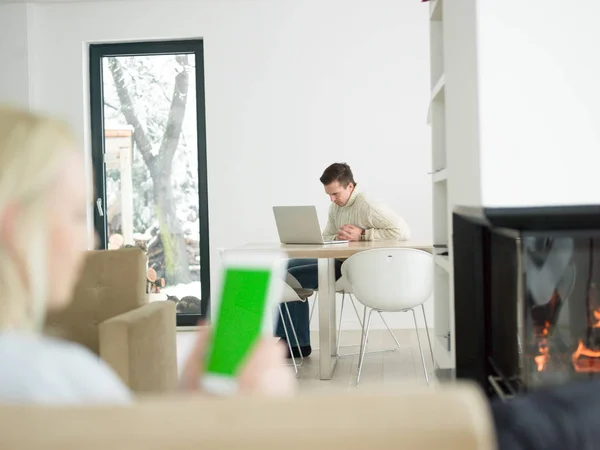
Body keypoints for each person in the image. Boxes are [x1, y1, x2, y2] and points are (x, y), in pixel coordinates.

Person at [0, 106, 295, 404]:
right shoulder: (60, 383)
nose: (91, 237)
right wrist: (245, 416)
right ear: (16, 227)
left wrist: (190, 396)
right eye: (77, 214)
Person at [275, 163, 411, 357]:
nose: (332, 199)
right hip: (334, 261)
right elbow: (327, 235)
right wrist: (334, 238)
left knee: (291, 275)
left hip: (353, 268)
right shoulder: (335, 208)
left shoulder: (368, 205)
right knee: (281, 268)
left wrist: (363, 234)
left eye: (335, 194)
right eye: (328, 195)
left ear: (350, 187)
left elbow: (403, 231)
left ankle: (296, 343)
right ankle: (292, 339)